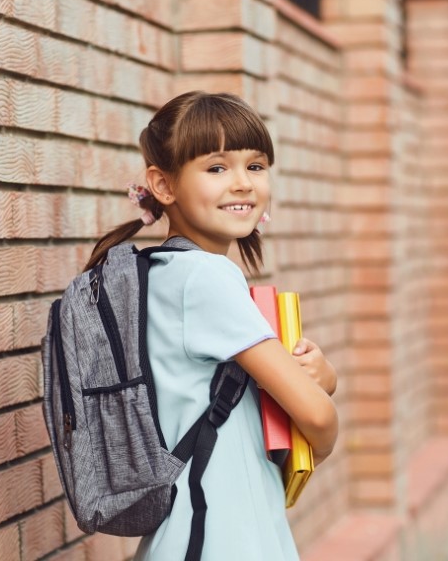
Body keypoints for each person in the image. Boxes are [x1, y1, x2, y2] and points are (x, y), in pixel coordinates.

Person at [84, 91, 338, 561]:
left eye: (255, 166)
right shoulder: (206, 277)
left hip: (190, 534)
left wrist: (321, 377)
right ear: (162, 185)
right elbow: (317, 418)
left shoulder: (158, 273)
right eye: (217, 168)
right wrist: (319, 428)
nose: (242, 183)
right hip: (223, 537)